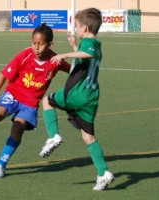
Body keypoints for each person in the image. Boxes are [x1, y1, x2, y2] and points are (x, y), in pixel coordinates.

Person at [0, 23, 70, 179]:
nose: (36, 47)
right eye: (34, 43)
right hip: (13, 94)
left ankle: (1, 164)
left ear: (50, 44)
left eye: (41, 44)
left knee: (18, 128)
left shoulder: (55, 60)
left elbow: (73, 71)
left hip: (30, 103)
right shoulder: (25, 55)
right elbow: (4, 74)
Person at [39, 8, 114, 190]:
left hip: (77, 93)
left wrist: (64, 54)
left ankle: (53, 136)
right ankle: (103, 173)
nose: (76, 30)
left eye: (78, 27)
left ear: (86, 28)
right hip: (91, 97)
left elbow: (88, 54)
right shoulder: (95, 43)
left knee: (47, 101)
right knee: (88, 136)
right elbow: (84, 59)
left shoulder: (89, 44)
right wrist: (74, 46)